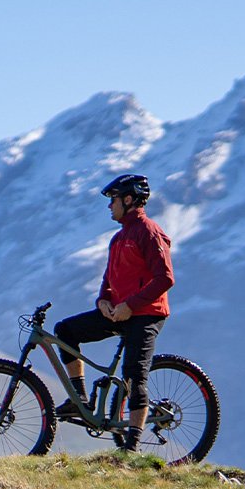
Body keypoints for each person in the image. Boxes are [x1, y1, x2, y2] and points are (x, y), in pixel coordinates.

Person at [54, 172, 172, 451]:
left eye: (113, 200)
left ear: (129, 200)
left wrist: (131, 305)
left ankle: (131, 447)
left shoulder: (149, 232)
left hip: (146, 314)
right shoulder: (118, 238)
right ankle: (80, 399)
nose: (109, 206)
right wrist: (102, 302)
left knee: (133, 374)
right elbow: (109, 281)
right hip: (118, 312)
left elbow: (165, 278)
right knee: (65, 331)